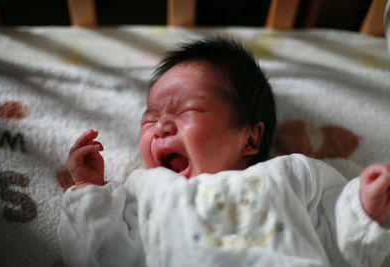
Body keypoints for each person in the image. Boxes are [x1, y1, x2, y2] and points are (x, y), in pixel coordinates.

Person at [58, 37, 390, 267]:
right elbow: (98, 254)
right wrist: (89, 191)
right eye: (150, 117)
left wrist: (364, 208)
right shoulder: (143, 192)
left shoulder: (289, 176)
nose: (160, 127)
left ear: (249, 139)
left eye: (184, 110)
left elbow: (334, 230)